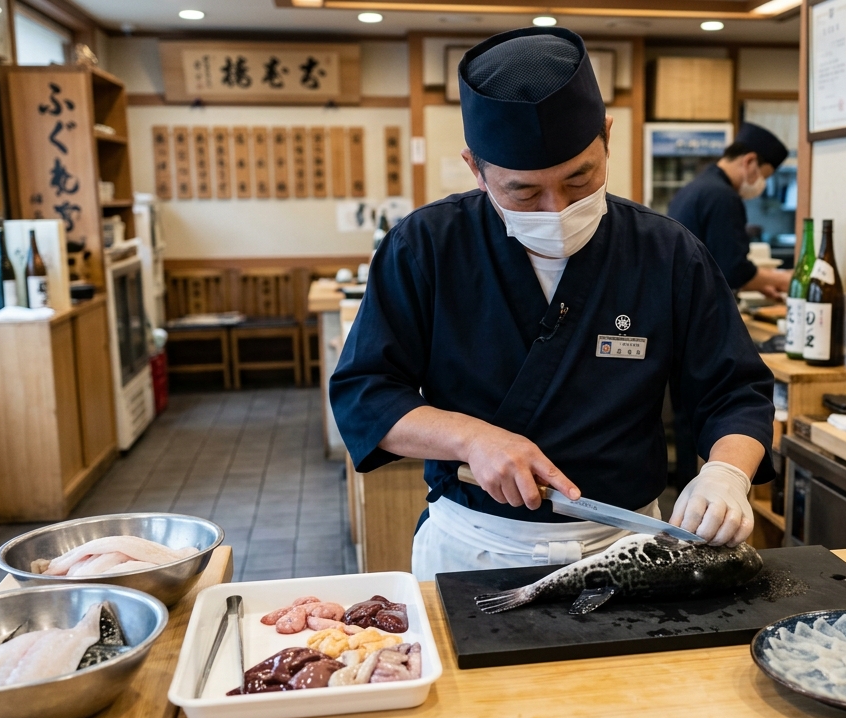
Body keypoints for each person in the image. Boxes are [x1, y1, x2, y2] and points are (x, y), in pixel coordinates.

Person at [330, 28, 775, 580]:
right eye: (522, 191)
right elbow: (364, 393)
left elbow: (733, 390)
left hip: (628, 544)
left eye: (579, 179)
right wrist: (473, 438)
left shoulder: (668, 252)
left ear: (606, 137)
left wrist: (728, 473)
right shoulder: (426, 246)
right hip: (474, 547)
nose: (556, 208)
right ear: (476, 167)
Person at [667, 122, 792, 299]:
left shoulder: (699, 186)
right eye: (764, 177)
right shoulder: (723, 196)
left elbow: (718, 263)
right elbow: (733, 270)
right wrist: (783, 280)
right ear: (749, 161)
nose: (761, 186)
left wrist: (762, 285)